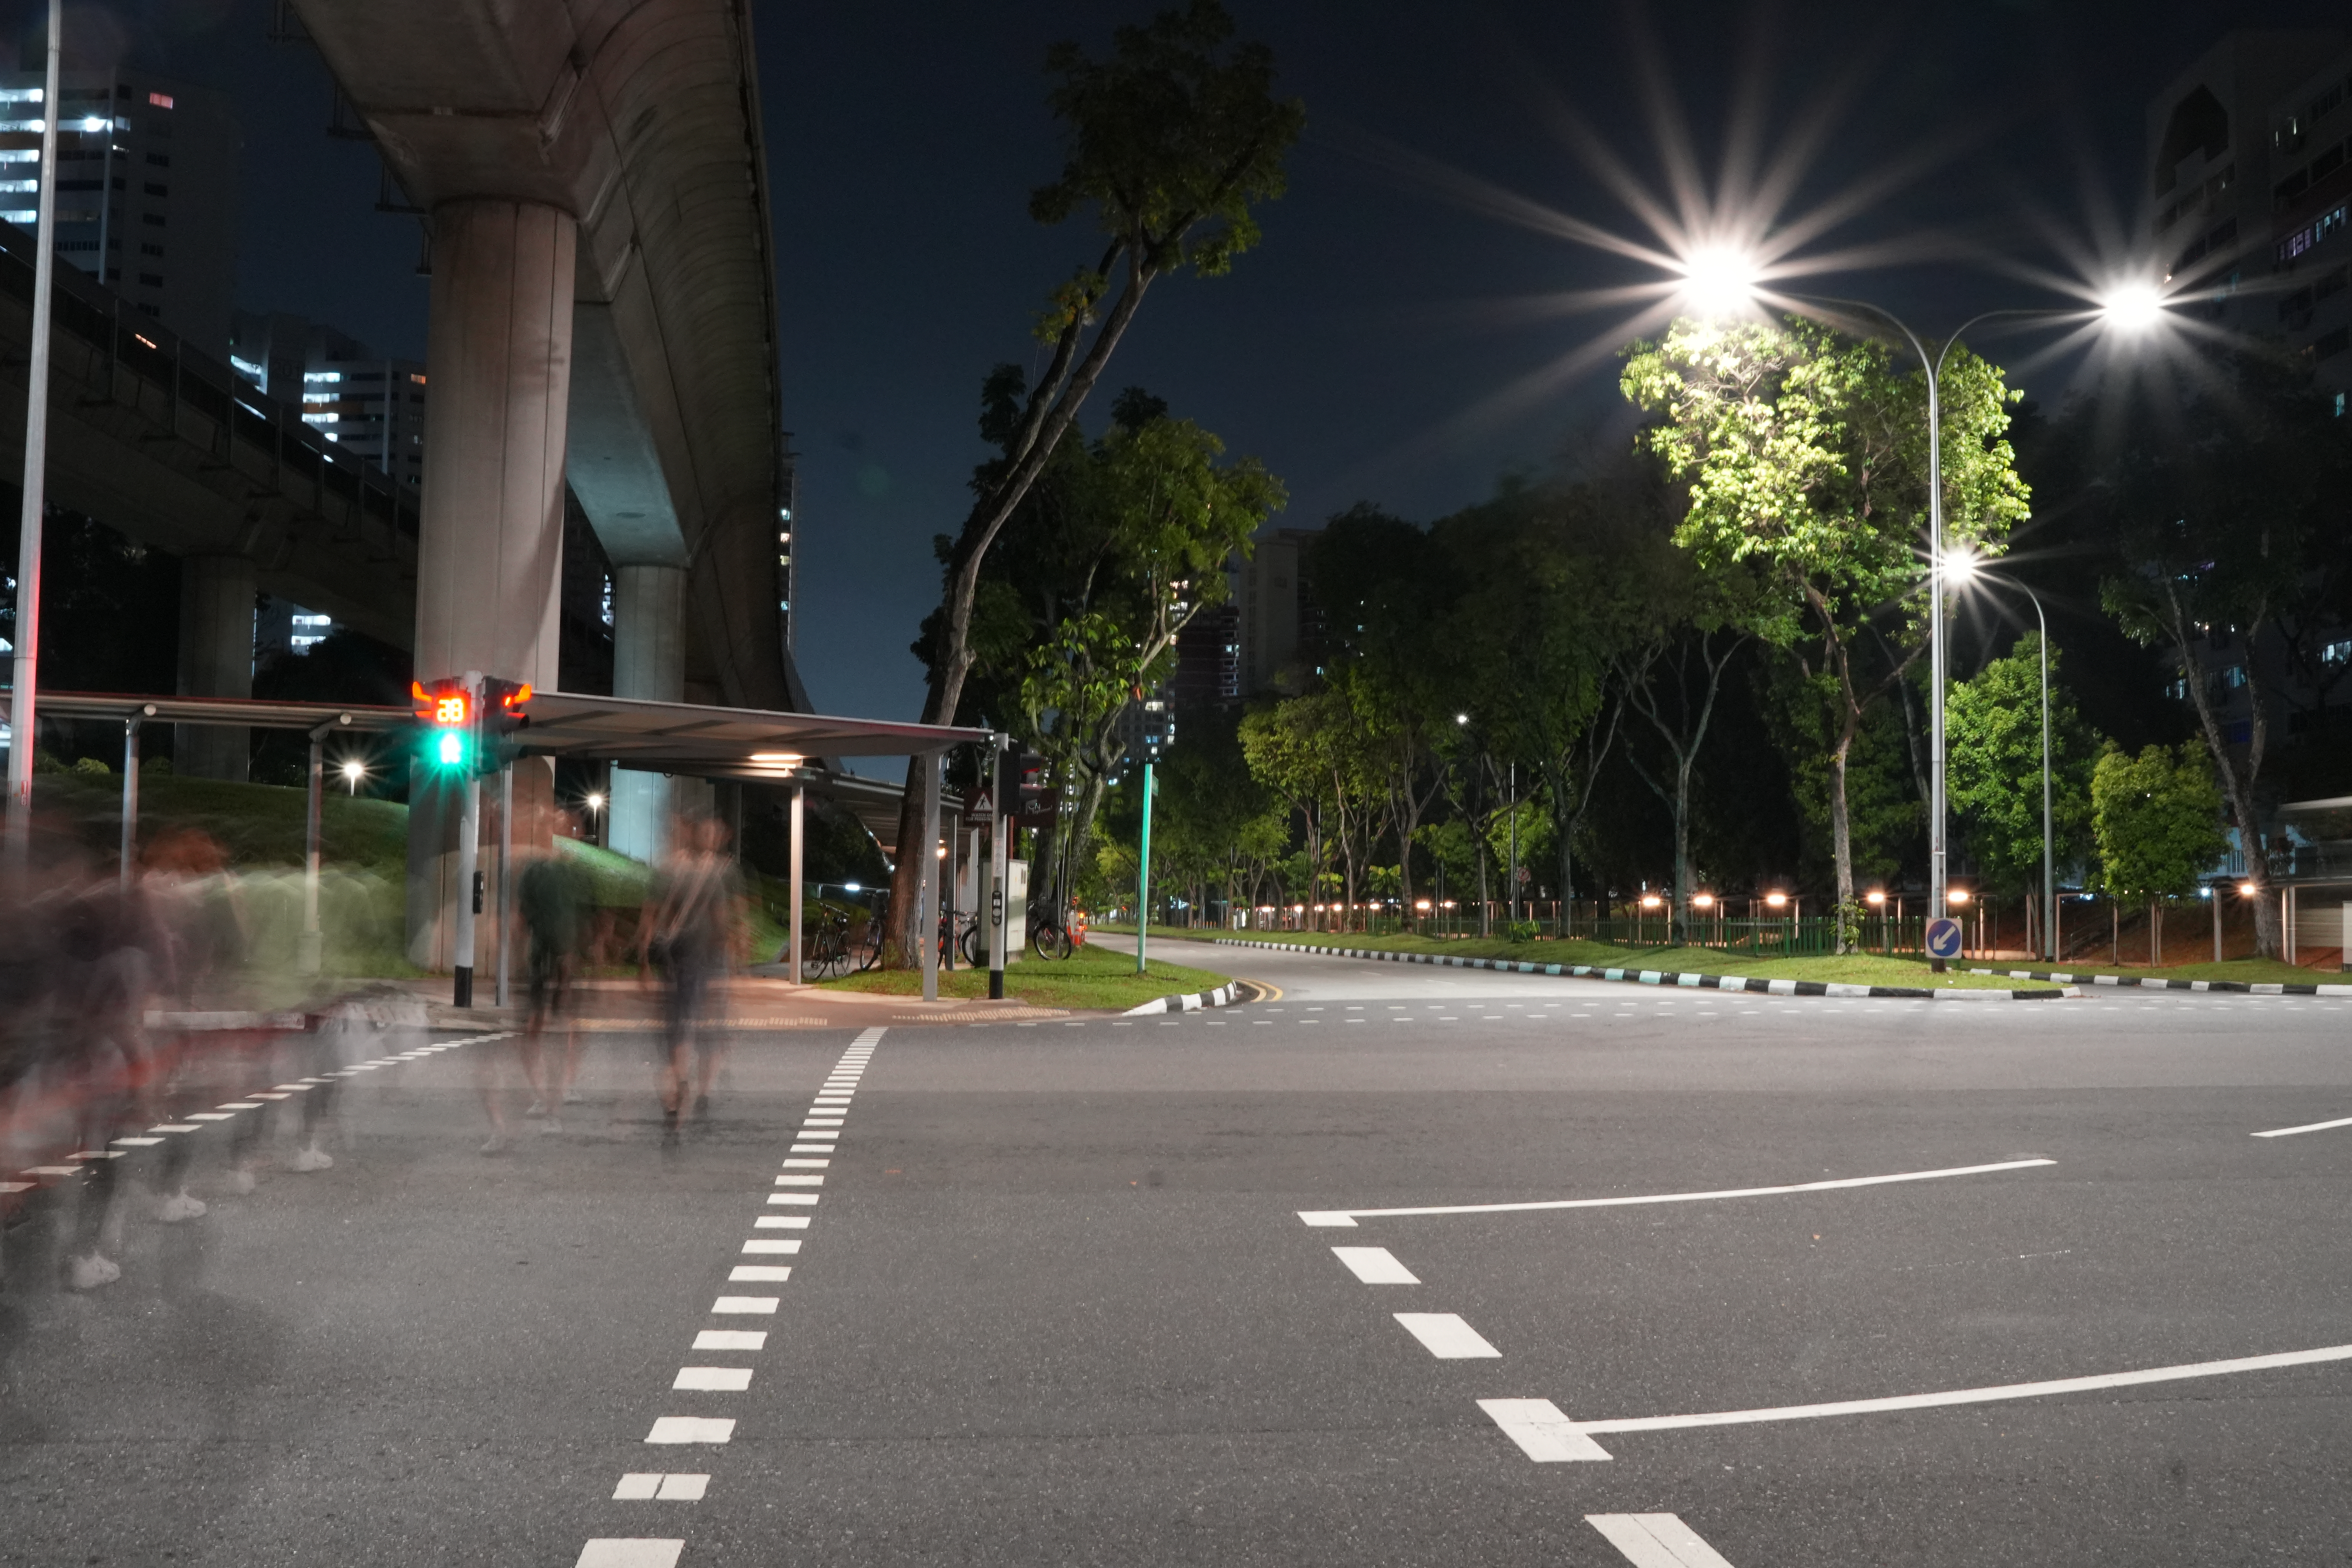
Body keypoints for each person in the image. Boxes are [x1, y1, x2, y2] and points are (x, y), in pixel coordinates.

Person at [637, 815, 745, 1141]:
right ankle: (700, 1091)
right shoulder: (719, 874)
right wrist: (735, 967)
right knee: (706, 1026)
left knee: (678, 1026)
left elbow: (650, 916)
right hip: (704, 963)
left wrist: (642, 961)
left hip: (673, 960)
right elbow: (727, 921)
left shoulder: (668, 870)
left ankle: (679, 1081)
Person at [517, 825, 594, 1131]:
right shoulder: (537, 872)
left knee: (565, 1025)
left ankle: (559, 1090)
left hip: (565, 958)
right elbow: (522, 917)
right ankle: (548, 1096)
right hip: (544, 957)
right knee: (542, 1026)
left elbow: (588, 917)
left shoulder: (575, 874)